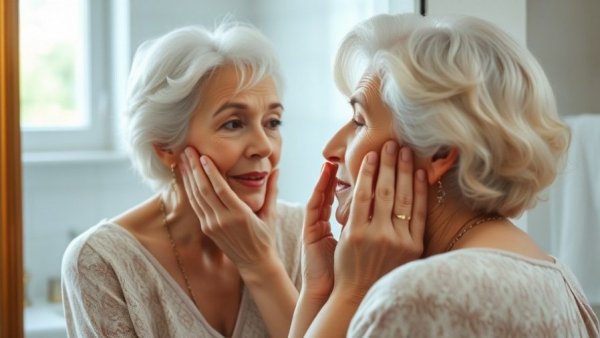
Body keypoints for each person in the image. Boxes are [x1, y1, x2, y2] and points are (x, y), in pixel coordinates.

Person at [290, 13, 600, 337]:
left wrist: (352, 291)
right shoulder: (559, 278)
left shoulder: (416, 298)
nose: (330, 148)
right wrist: (319, 291)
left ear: (438, 153)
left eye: (358, 121)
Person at [61, 22, 303, 338]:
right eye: (233, 124)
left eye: (272, 122)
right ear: (165, 147)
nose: (264, 147)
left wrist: (261, 264)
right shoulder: (101, 262)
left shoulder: (299, 234)